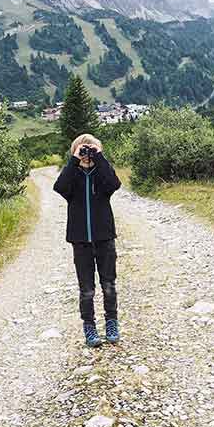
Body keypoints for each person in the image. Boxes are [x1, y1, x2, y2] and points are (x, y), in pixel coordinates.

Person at [53, 134, 122, 348]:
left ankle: (111, 322)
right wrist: (74, 160)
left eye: (90, 150)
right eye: (83, 150)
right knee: (86, 289)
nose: (87, 154)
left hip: (104, 238)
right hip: (80, 240)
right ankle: (89, 326)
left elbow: (114, 183)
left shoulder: (102, 175)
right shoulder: (72, 176)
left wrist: (99, 157)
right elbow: (59, 187)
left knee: (108, 284)